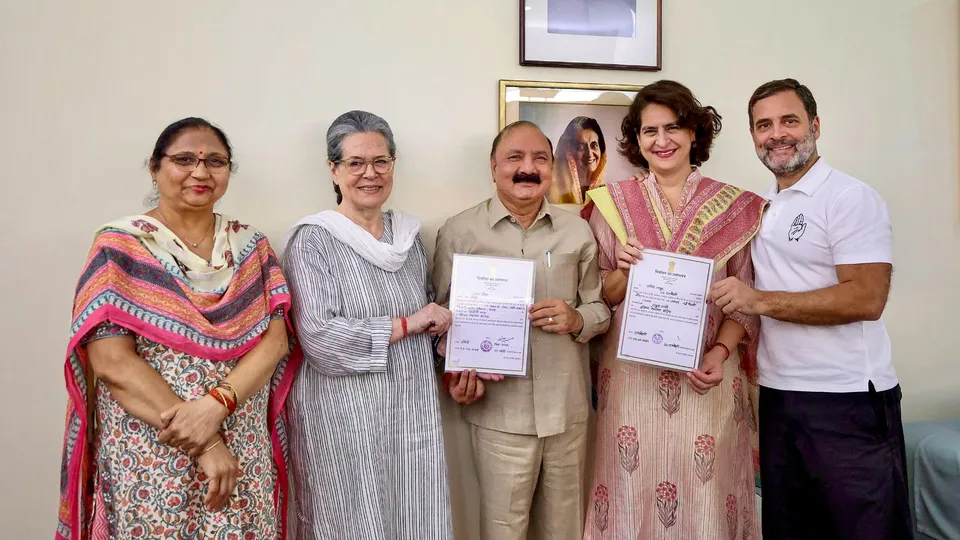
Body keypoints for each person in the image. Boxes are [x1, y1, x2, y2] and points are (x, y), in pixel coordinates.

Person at [56, 117, 301, 540]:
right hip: (151, 448)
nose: (201, 172)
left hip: (239, 440)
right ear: (155, 167)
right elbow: (111, 362)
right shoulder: (121, 247)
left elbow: (275, 341)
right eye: (184, 159)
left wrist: (215, 408)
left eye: (216, 161)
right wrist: (205, 444)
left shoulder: (251, 246)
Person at [710, 78, 911, 539]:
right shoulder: (763, 206)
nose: (776, 134)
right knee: (790, 528)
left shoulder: (848, 197)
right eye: (763, 125)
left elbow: (867, 297)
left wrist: (758, 300)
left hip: (848, 401)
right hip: (780, 396)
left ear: (815, 125)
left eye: (789, 121)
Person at [581, 80, 766, 539]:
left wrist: (719, 356)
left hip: (707, 378)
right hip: (631, 378)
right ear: (636, 139)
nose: (661, 141)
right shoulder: (610, 205)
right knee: (629, 489)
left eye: (673, 128)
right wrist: (623, 268)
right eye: (649, 131)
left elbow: (745, 297)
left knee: (706, 497)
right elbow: (599, 295)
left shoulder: (737, 208)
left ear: (694, 134)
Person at [432, 120, 611, 540]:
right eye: (515, 158)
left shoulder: (577, 230)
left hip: (567, 413)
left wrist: (578, 318)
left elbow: (600, 307)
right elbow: (439, 323)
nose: (527, 168)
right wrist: (455, 371)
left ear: (551, 168)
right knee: (502, 531)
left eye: (539, 159)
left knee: (564, 530)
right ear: (493, 167)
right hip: (498, 414)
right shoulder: (460, 232)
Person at [282, 110, 454, 539]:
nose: (370, 174)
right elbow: (319, 339)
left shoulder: (409, 238)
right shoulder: (312, 241)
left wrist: (453, 348)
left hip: (410, 409)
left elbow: (430, 317)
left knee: (414, 511)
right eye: (355, 163)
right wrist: (411, 324)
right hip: (342, 416)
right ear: (333, 170)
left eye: (381, 161)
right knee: (349, 519)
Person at [549, 116, 608, 205]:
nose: (589, 154)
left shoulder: (609, 193)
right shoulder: (552, 193)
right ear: (568, 152)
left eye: (594, 145)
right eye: (580, 147)